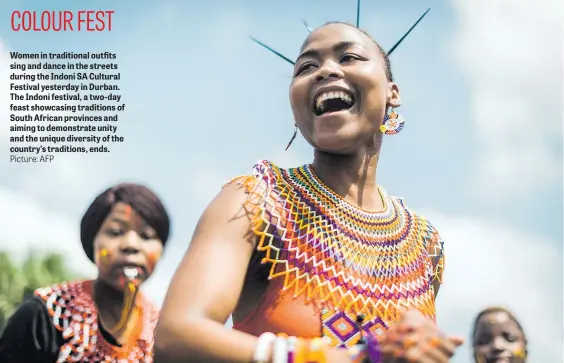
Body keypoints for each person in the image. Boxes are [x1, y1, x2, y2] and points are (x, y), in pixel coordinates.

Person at [154, 21, 463, 363]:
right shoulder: (256, 201)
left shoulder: (425, 246)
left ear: (393, 93)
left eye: (349, 57)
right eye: (306, 67)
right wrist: (343, 358)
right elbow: (177, 337)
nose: (326, 71)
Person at [0, 183, 171, 363]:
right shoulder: (44, 315)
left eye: (146, 236)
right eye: (115, 232)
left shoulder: (163, 337)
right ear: (93, 241)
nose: (131, 245)